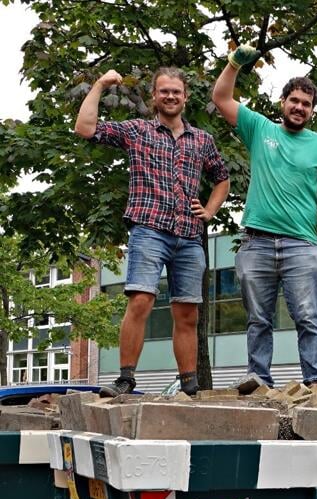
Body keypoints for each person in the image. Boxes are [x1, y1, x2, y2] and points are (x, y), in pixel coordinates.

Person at [74, 67, 230, 397]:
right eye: (164, 91)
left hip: (189, 235)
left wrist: (211, 210)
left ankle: (189, 385)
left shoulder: (202, 140)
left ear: (186, 97)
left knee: (187, 312)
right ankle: (126, 379)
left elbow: (222, 177)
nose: (171, 96)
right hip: (149, 231)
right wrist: (101, 84)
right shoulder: (137, 131)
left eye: (176, 91)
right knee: (141, 301)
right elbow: (85, 128)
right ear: (154, 97)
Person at [212, 45, 317, 387]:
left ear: (312, 111)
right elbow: (221, 97)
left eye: (306, 104)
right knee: (258, 319)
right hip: (257, 243)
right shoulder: (260, 129)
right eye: (294, 100)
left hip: (302, 245)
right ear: (283, 103)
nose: (299, 107)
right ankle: (258, 379)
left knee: (309, 317)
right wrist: (235, 63)